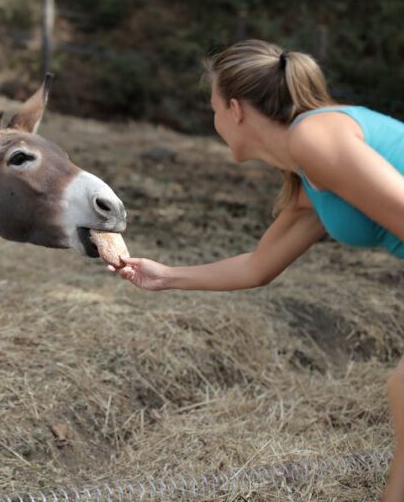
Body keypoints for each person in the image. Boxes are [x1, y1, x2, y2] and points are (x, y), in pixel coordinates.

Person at [109, 39, 404, 500]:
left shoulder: (316, 137)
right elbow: (258, 266)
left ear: (235, 110)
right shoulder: (311, 176)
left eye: (213, 109)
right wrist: (165, 275)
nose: (214, 122)